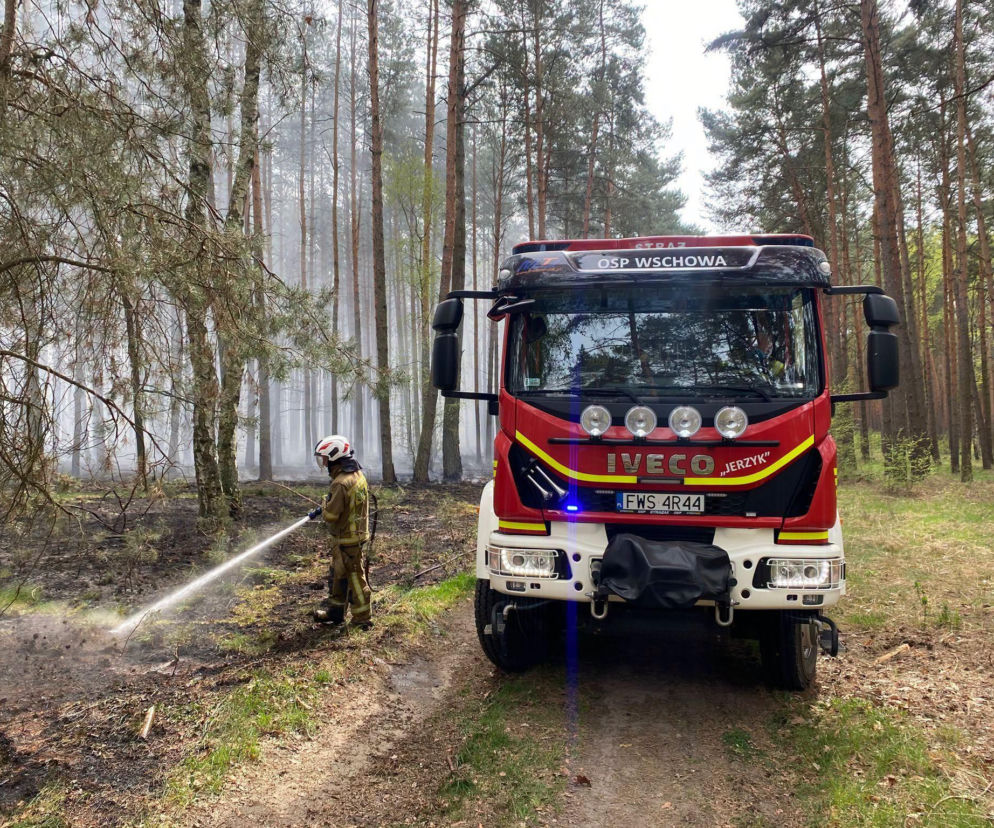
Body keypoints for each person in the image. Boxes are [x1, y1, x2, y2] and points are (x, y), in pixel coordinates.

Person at [309, 435, 372, 628]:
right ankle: (335, 613)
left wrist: (324, 504)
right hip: (355, 536)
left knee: (355, 579)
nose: (323, 463)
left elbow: (331, 516)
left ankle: (362, 618)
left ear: (334, 457)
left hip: (347, 539)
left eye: (325, 458)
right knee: (338, 576)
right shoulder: (357, 475)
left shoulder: (340, 483)